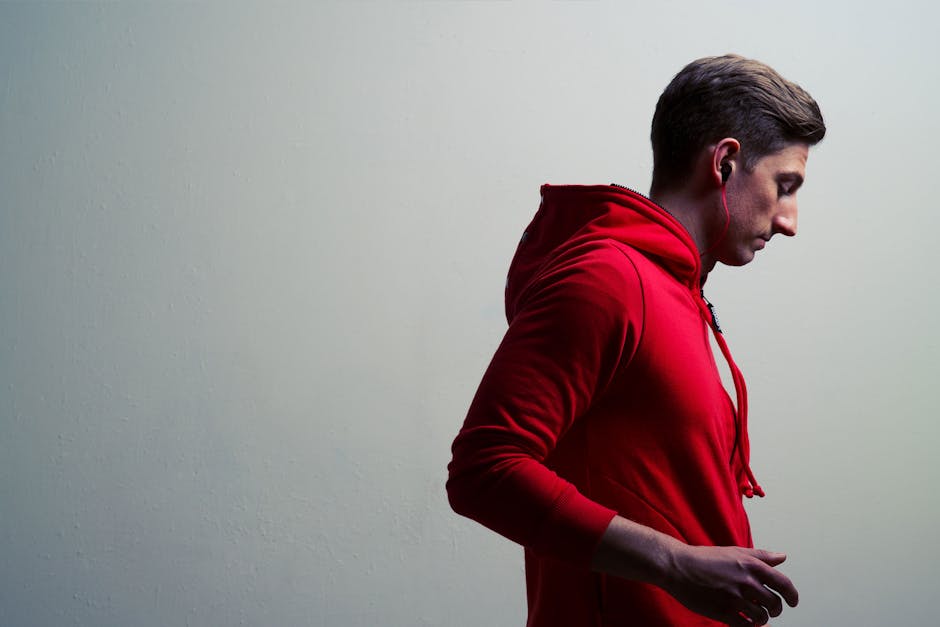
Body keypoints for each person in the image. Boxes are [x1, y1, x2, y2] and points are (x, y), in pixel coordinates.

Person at [446, 54, 826, 627]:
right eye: (785, 185)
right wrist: (673, 564)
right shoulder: (608, 280)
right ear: (725, 162)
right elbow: (483, 470)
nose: (791, 220)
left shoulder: (674, 290)